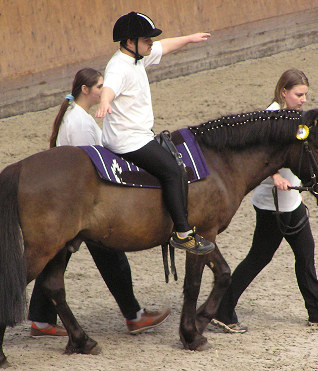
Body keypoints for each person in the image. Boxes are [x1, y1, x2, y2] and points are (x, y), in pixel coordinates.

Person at [29, 68, 170, 337]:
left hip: (71, 201)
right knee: (111, 255)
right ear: (85, 90)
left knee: (55, 258)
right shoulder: (80, 122)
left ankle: (41, 321)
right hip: (83, 203)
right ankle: (134, 315)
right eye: (99, 87)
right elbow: (90, 166)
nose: (103, 91)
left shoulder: (76, 116)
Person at [211, 68, 318, 333]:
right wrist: (274, 175)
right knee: (260, 257)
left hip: (291, 201)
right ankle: (222, 308)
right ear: (283, 92)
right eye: (299, 94)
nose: (303, 100)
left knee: (301, 254)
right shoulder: (269, 119)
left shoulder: (296, 118)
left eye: (306, 95)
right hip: (272, 203)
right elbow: (257, 155)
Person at [95, 11, 215, 255]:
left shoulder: (137, 57)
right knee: (173, 170)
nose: (151, 43)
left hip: (140, 134)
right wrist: (105, 102)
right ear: (130, 42)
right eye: (146, 39)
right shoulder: (118, 67)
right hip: (127, 139)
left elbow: (164, 46)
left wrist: (189, 38)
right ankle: (182, 233)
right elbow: (109, 87)